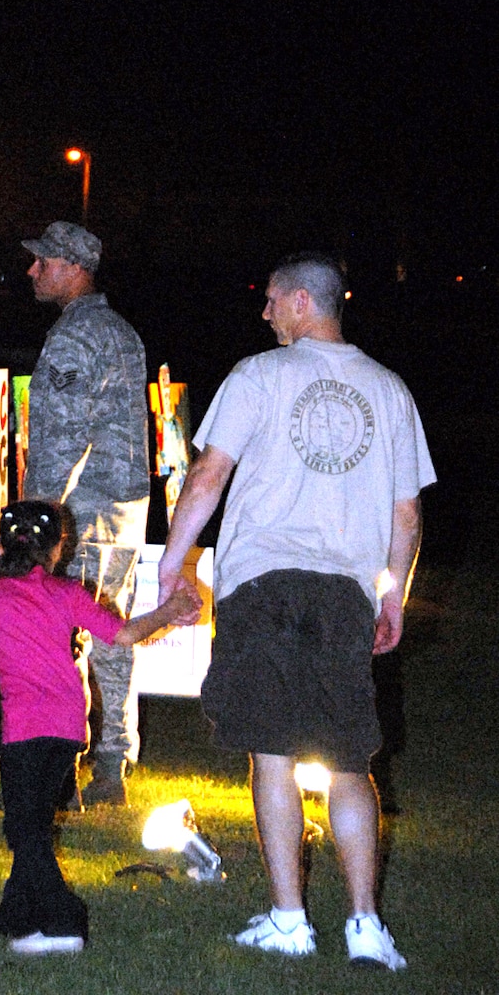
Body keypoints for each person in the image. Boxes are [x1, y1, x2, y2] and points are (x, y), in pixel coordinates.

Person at [157, 254, 434, 971]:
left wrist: (174, 559)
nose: (265, 313)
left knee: (273, 752)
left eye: (273, 300)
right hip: (344, 592)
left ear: (303, 301)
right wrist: (390, 594)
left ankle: (289, 920)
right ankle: (365, 928)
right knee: (347, 761)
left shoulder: (257, 375)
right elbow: (405, 514)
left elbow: (209, 473)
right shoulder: (390, 390)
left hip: (262, 583)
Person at [0, 500, 199, 957]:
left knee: (24, 829)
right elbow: (124, 635)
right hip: (69, 727)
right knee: (35, 821)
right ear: (55, 549)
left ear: (2, 544)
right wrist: (170, 610)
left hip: (22, 729)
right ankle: (17, 914)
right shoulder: (66, 593)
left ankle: (63, 924)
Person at [21, 220, 150, 804]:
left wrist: (35, 517)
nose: (32, 270)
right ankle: (113, 761)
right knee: (112, 632)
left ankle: (63, 762)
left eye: (43, 261)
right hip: (122, 507)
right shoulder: (123, 332)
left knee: (59, 636)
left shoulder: (75, 338)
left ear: (73, 267)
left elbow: (62, 436)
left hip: (78, 513)